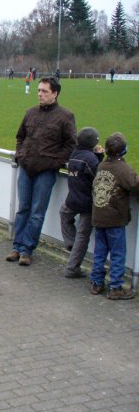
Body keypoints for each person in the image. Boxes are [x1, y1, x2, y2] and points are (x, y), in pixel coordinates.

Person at [6, 77, 77, 266]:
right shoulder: (30, 113)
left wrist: (55, 162)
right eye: (39, 90)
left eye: (44, 91)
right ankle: (17, 246)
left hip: (46, 171)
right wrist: (21, 155)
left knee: (37, 212)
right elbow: (20, 136)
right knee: (23, 209)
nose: (40, 94)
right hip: (26, 167)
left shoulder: (65, 117)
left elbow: (71, 145)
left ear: (55, 93)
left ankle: (27, 249)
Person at [90, 133, 139, 300]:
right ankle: (115, 287)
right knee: (118, 253)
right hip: (115, 218)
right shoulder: (122, 168)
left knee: (99, 251)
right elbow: (134, 185)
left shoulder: (102, 165)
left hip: (99, 215)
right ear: (123, 150)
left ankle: (96, 283)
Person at [59, 128, 103, 278]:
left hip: (72, 200)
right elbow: (98, 177)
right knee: (83, 237)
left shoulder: (74, 155)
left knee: (64, 213)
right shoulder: (91, 159)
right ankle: (72, 268)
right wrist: (99, 156)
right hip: (87, 204)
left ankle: (70, 243)